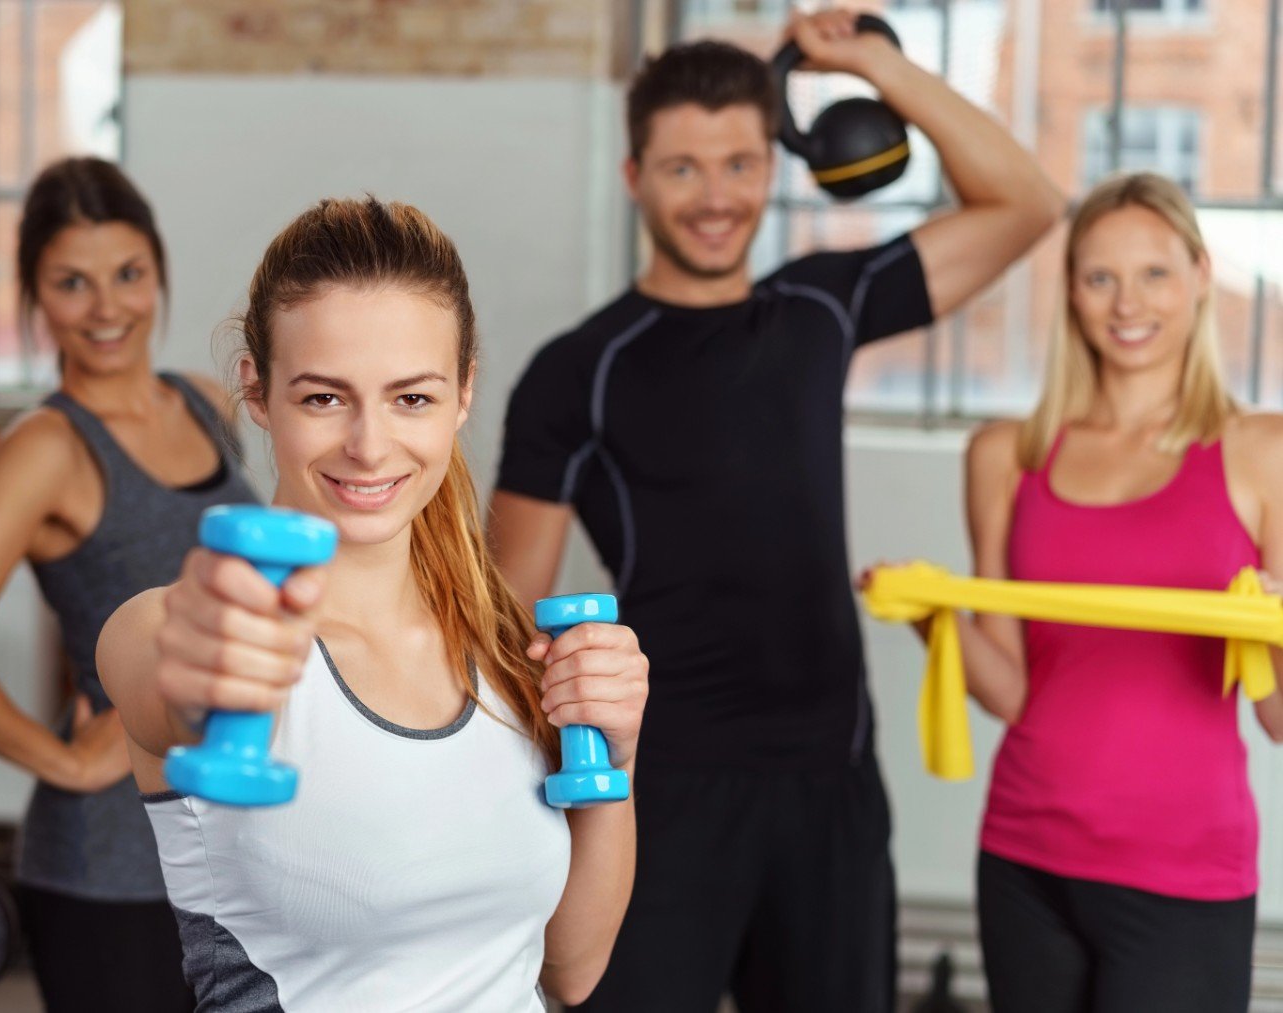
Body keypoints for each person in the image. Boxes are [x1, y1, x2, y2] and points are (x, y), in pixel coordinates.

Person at [487, 9, 1065, 1011]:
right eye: (682, 168)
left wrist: (875, 65)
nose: (716, 198)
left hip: (830, 781)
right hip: (659, 788)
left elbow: (1026, 203)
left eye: (740, 163)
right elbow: (502, 607)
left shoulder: (820, 307)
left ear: (775, 164)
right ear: (634, 178)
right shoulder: (578, 371)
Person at [96, 196, 651, 1010]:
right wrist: (204, 662)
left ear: (463, 394)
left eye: (411, 398)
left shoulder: (503, 644)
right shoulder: (181, 628)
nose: (368, 444)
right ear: (257, 389)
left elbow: (570, 968)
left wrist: (620, 755)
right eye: (325, 397)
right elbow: (171, 671)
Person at [0, 156, 251, 1011]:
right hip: (109, 868)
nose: (107, 308)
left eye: (128, 274)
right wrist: (55, 757)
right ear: (35, 295)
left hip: (235, 849)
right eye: (72, 283)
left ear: (157, 271)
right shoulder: (48, 448)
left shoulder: (207, 405)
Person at [941, 172, 1279, 1012]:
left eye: (1155, 273)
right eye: (1100, 276)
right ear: (1070, 292)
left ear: (1201, 275)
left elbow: (1279, 715)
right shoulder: (1006, 457)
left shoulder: (1260, 451)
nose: (1128, 303)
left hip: (1184, 872)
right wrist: (933, 618)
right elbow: (1011, 688)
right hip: (1024, 855)